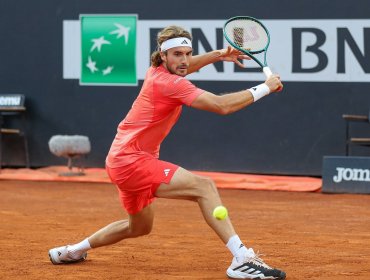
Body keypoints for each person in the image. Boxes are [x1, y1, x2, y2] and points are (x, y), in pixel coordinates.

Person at [49, 25, 285, 280]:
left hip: (121, 159)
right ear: (163, 56)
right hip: (131, 161)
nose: (184, 60)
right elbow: (220, 106)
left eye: (187, 53)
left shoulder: (157, 71)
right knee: (204, 187)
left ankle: (72, 251)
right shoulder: (169, 84)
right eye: (177, 54)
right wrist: (266, 87)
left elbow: (187, 66)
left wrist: (218, 55)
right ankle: (241, 258)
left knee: (138, 227)